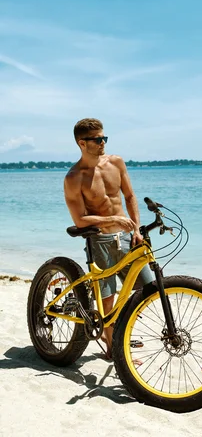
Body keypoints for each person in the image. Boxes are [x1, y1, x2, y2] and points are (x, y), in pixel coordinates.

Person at [64, 117, 151, 360]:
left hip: (127, 237)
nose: (103, 143)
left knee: (146, 287)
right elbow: (80, 220)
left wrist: (136, 229)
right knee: (108, 298)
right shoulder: (74, 177)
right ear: (82, 143)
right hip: (100, 241)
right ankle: (114, 349)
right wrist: (111, 221)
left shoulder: (116, 162)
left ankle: (115, 331)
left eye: (104, 138)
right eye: (97, 139)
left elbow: (130, 196)